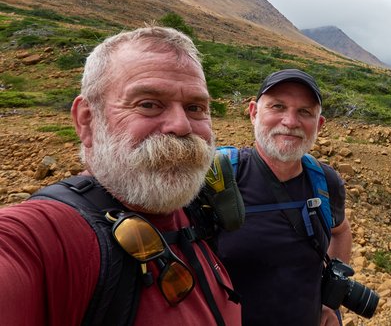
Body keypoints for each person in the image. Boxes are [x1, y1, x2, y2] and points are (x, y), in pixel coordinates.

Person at [0, 27, 241, 325]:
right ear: (87, 120)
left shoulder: (198, 210)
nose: (181, 125)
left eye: (195, 108)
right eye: (148, 104)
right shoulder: (43, 239)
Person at [216, 69, 353, 326]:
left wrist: (328, 302)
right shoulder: (219, 179)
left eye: (304, 112)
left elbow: (341, 231)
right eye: (278, 106)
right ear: (254, 112)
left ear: (319, 124)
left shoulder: (325, 182)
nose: (290, 121)